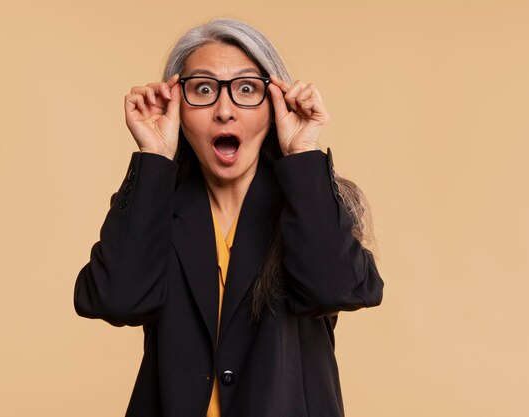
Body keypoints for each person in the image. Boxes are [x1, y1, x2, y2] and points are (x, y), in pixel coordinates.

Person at [74, 17, 384, 417]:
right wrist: (153, 156)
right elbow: (117, 301)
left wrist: (304, 151)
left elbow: (335, 290)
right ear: (177, 107)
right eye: (203, 89)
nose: (224, 110)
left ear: (275, 105)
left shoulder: (311, 204)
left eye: (246, 89)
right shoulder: (156, 206)